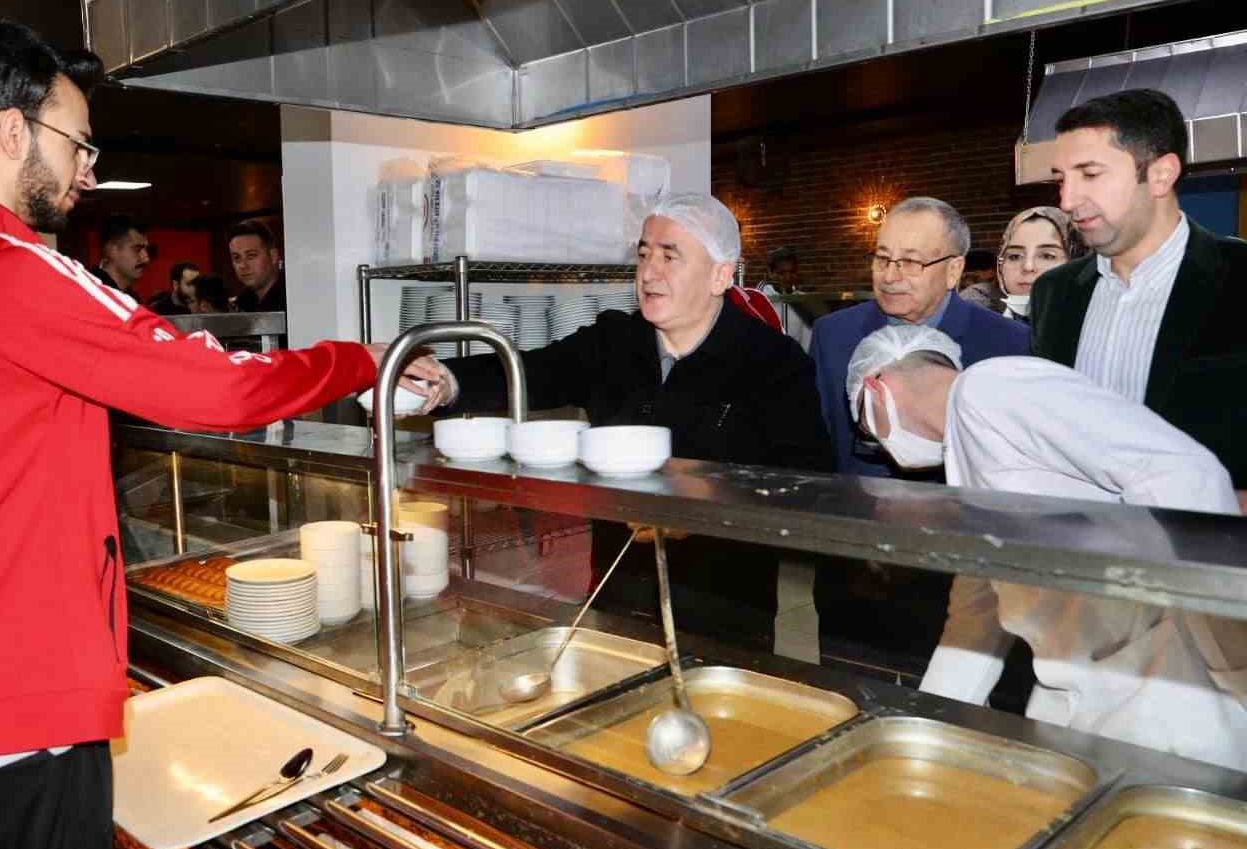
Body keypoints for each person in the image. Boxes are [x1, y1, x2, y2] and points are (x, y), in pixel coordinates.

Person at [0, 19, 411, 849]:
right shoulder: (8, 267)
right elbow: (217, 387)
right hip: (21, 721)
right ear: (8, 133)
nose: (87, 172)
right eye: (77, 143)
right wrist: (362, 360)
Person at [414, 193, 832, 650]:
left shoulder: (772, 361)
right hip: (619, 592)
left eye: (670, 256)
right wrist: (445, 382)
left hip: (723, 610)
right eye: (644, 254)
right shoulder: (615, 341)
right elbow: (528, 371)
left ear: (720, 275)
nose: (649, 273)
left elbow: (806, 480)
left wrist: (704, 508)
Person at [847, 324, 1247, 770]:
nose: (882, 447)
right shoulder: (966, 458)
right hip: (1076, 693)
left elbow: (1185, 474)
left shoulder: (993, 387)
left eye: (868, 429)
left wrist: (1231, 655)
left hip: (1168, 693)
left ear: (875, 387)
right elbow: (975, 616)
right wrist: (924, 728)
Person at [1034, 87, 1247, 491]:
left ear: (1161, 174)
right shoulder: (1053, 294)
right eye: (1061, 179)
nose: (1066, 199)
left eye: (1090, 174)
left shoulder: (1239, 279)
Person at [810, 196, 1030, 478]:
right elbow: (820, 447)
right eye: (882, 258)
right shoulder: (833, 335)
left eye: (911, 262)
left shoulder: (1010, 345)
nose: (890, 276)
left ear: (953, 271)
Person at [995, 205, 1078, 322]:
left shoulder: (1102, 331)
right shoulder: (982, 331)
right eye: (1014, 256)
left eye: (1047, 256)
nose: (1028, 267)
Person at [758, 244, 812, 348]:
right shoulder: (758, 300)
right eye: (781, 273)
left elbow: (807, 342)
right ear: (770, 272)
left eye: (791, 272)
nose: (788, 277)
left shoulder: (803, 301)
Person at [228, 219, 285, 313]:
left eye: (251, 255)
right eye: (237, 257)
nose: (243, 265)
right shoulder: (239, 304)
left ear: (273, 256)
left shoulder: (294, 298)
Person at [91, 213, 151, 297]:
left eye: (146, 250)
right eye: (137, 249)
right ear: (112, 250)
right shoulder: (89, 289)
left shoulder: (134, 300)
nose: (146, 259)